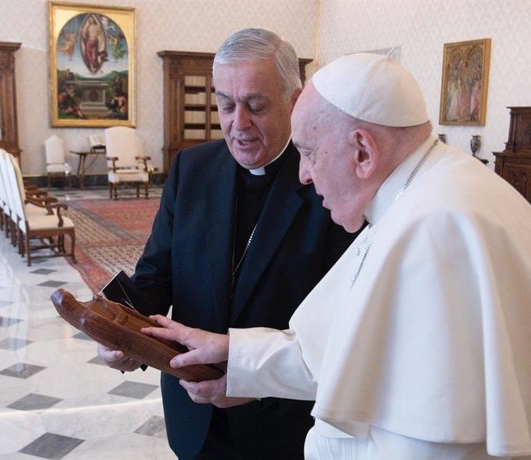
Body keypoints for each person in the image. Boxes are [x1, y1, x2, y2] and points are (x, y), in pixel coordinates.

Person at [143, 52, 531, 459]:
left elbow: (431, 439)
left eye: (311, 153)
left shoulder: (435, 228)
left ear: (362, 150)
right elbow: (344, 347)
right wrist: (241, 358)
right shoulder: (426, 191)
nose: (304, 175)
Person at [97, 28, 356, 459]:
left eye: (256, 106)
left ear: (295, 102)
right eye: (226, 104)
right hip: (193, 410)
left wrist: (254, 382)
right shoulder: (191, 170)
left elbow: (343, 320)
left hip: (282, 422)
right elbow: (157, 274)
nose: (239, 123)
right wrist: (122, 331)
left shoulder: (328, 182)